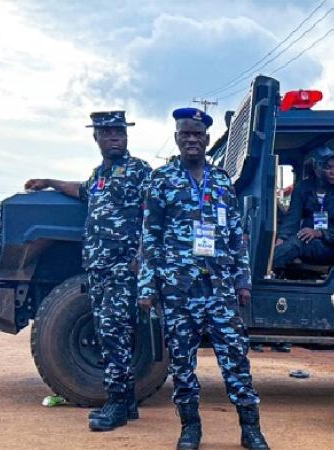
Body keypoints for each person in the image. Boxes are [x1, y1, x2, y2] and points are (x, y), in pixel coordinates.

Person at [137, 107, 269, 450]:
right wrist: (147, 287)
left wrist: (243, 280)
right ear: (177, 138)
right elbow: (150, 237)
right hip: (179, 287)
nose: (192, 139)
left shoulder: (223, 180)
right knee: (182, 362)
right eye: (186, 134)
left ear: (208, 140)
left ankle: (251, 429)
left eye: (198, 134)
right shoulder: (162, 180)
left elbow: (236, 235)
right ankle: (190, 428)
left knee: (236, 358)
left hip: (221, 288)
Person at [24, 111, 151, 432]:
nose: (115, 137)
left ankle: (117, 405)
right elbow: (82, 190)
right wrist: (49, 182)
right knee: (111, 331)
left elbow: (154, 213)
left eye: (119, 132)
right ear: (96, 138)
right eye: (107, 133)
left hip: (122, 267)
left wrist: (141, 256)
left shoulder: (139, 171)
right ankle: (128, 403)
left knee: (114, 333)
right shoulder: (101, 174)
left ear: (127, 136)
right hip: (100, 267)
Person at [272, 146, 334, 275]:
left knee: (298, 243)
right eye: (328, 167)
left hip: (331, 246)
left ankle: (259, 275)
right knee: (288, 244)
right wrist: (281, 239)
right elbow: (292, 218)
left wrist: (319, 233)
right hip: (306, 240)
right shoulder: (303, 187)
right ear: (316, 169)